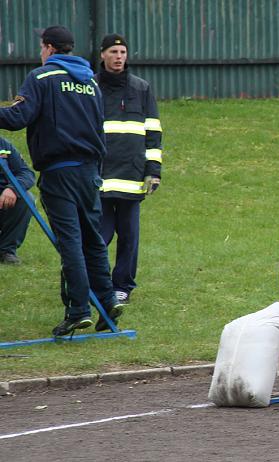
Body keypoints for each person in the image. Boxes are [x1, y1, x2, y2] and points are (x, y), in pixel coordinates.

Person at [0, 25, 123, 336]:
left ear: (50, 48)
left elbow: (16, 118)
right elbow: (99, 127)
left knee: (70, 242)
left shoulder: (41, 78)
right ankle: (108, 299)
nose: (41, 53)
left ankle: (78, 310)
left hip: (59, 172)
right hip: (90, 172)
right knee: (93, 239)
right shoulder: (91, 83)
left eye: (42, 47)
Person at [95, 33, 163, 308]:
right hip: (99, 177)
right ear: (102, 55)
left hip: (132, 177)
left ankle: (122, 287)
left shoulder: (141, 88)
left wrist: (153, 170)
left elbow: (153, 132)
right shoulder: (91, 87)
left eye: (122, 52)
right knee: (99, 237)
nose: (119, 57)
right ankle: (97, 285)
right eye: (113, 52)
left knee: (129, 238)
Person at [0, 137, 35, 264]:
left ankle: (6, 250)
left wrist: (13, 189)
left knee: (26, 198)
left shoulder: (3, 145)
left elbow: (26, 173)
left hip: (2, 199)